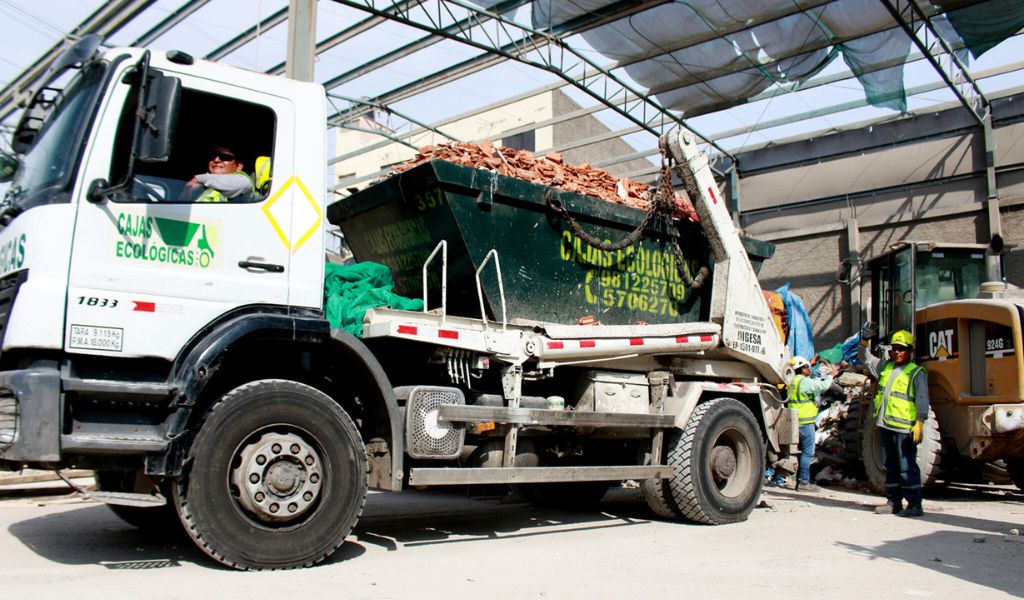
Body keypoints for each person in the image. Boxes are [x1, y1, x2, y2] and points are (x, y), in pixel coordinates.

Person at [862, 329, 929, 517]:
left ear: (910, 351)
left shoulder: (916, 373)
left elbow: (922, 400)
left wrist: (920, 422)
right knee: (890, 465)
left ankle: (915, 504)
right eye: (894, 348)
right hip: (885, 425)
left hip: (904, 428)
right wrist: (864, 341)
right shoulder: (886, 368)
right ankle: (893, 502)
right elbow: (865, 358)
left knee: (906, 465)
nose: (897, 352)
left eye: (902, 349)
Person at [787, 355, 837, 492]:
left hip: (795, 421)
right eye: (807, 367)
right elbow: (823, 385)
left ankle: (799, 480)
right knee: (808, 453)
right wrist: (830, 375)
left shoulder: (792, 381)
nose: (809, 370)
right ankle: (803, 482)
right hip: (806, 422)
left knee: (800, 453)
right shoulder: (804, 382)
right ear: (803, 369)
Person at [180, 145, 253, 202]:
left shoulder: (243, 180)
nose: (216, 160)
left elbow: (242, 184)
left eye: (225, 157)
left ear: (239, 166)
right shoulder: (205, 186)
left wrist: (198, 178)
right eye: (212, 156)